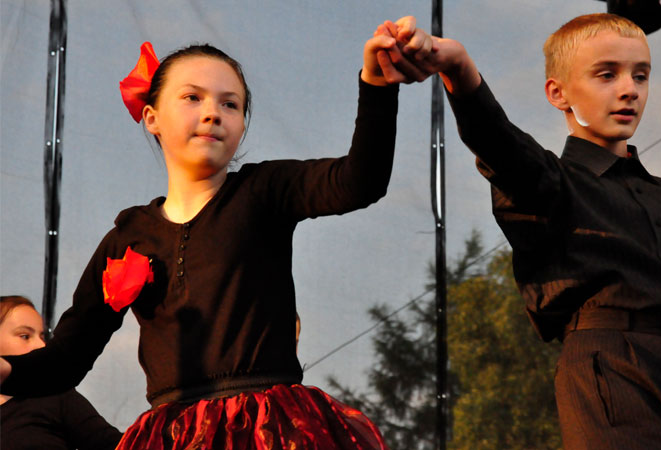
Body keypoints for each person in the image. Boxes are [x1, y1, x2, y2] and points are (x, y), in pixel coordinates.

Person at [1, 26, 430, 448]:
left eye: (230, 104)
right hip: (173, 437)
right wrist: (8, 372)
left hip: (267, 430)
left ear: (242, 125)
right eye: (193, 97)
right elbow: (67, 358)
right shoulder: (127, 238)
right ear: (152, 117)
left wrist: (377, 85)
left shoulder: (265, 190)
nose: (213, 113)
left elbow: (360, 182)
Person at [375, 13, 661, 449]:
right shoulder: (551, 183)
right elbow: (501, 145)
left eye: (641, 75)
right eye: (607, 74)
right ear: (557, 92)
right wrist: (459, 68)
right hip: (612, 373)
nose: (629, 89)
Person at [0, 295, 122, 450]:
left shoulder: (55, 396)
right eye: (25, 336)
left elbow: (114, 444)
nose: (41, 345)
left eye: (43, 336)